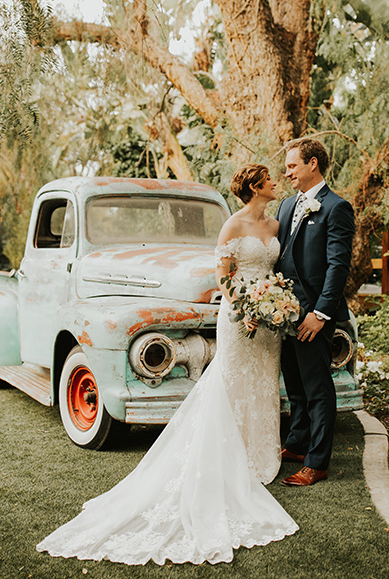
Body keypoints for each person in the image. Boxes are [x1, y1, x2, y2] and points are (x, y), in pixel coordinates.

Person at [36, 164, 298, 565]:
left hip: (265, 321)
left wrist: (272, 303)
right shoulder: (231, 225)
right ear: (253, 187)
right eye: (268, 179)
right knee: (230, 384)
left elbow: (274, 268)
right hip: (241, 313)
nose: (276, 182)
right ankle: (227, 457)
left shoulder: (275, 225)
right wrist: (246, 305)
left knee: (263, 384)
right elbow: (223, 274)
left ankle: (263, 454)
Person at [275, 139, 356, 487]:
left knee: (318, 388)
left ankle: (317, 461)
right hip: (283, 313)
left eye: (292, 166)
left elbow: (338, 267)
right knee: (294, 383)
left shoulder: (336, 207)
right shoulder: (285, 204)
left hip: (313, 316)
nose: (287, 172)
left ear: (312, 164)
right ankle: (297, 443)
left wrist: (320, 314)